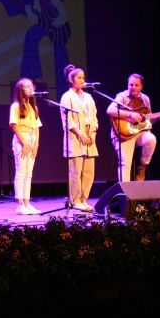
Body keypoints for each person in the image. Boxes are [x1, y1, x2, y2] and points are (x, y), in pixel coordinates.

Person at [106, 73, 160, 182]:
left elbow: (147, 120)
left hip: (138, 132)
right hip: (122, 134)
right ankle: (125, 193)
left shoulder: (145, 99)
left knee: (151, 139)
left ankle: (142, 167)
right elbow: (110, 110)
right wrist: (131, 115)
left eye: (136, 85)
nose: (133, 87)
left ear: (141, 86)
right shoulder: (122, 96)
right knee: (125, 162)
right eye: (131, 85)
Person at [60, 64, 98, 211]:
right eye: (79, 78)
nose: (82, 80)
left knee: (89, 171)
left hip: (89, 136)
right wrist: (80, 134)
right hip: (75, 137)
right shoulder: (67, 97)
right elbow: (68, 120)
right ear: (71, 79)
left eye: (83, 77)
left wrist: (93, 133)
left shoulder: (88, 97)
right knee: (76, 172)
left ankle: (84, 199)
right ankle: (75, 200)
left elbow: (94, 116)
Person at [10, 78, 43, 215]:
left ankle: (28, 203)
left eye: (31, 86)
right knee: (21, 172)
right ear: (20, 90)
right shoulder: (16, 106)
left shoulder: (33, 107)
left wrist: (35, 144)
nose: (31, 89)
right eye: (27, 87)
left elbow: (37, 127)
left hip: (31, 139)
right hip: (21, 139)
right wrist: (25, 143)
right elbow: (14, 125)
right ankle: (20, 204)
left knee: (29, 174)